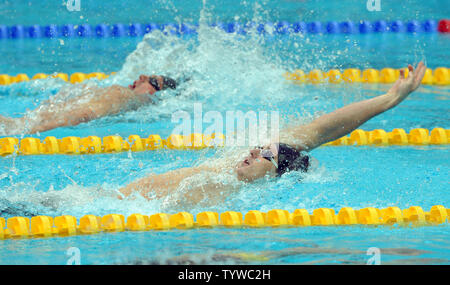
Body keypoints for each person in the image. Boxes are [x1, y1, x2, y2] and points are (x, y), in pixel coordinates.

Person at [118, 62, 427, 207]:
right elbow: (324, 127)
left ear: (279, 173)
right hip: (123, 198)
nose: (253, 152)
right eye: (259, 148)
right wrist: (388, 99)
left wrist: (390, 100)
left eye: (267, 154)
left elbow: (330, 129)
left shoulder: (247, 200)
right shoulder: (227, 169)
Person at [0, 75, 177, 134]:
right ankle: (17, 127)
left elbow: (86, 114)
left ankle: (19, 129)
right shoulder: (121, 94)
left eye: (152, 80)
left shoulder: (137, 99)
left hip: (83, 114)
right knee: (19, 124)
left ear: (154, 92)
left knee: (20, 127)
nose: (142, 77)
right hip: (80, 110)